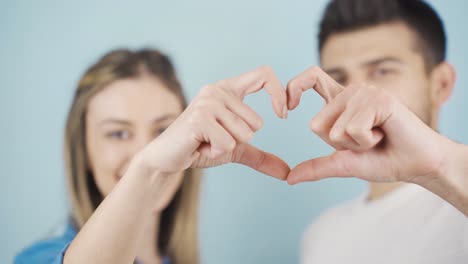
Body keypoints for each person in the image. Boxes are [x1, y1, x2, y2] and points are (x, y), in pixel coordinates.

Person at [14, 48, 290, 264]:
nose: (147, 149)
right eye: (118, 133)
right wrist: (147, 168)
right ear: (83, 151)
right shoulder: (37, 258)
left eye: (164, 130)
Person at [285, 0, 468, 263]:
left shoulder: (460, 216)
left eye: (382, 71)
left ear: (441, 84)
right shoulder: (319, 236)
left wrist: (438, 165)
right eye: (338, 77)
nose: (356, 94)